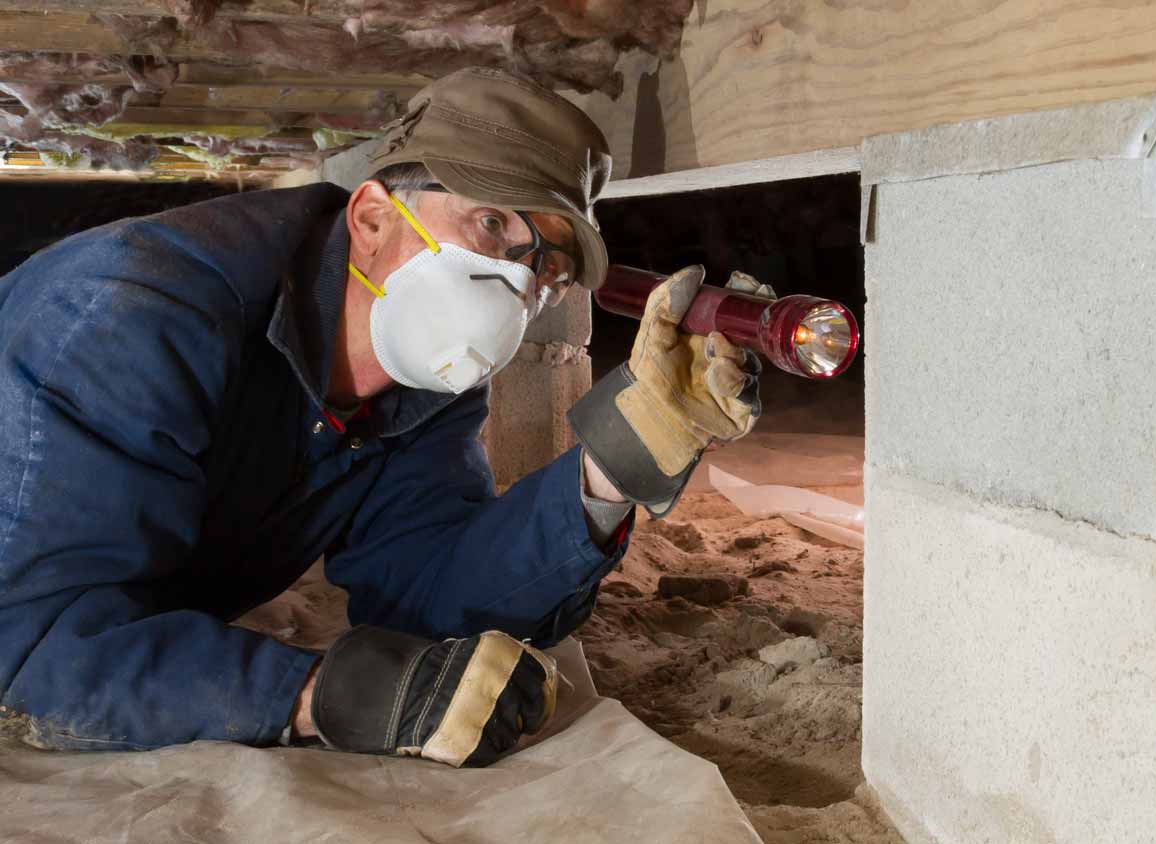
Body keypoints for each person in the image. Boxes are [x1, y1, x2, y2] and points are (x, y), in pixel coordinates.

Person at [0, 67, 761, 768]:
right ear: (371, 217)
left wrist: (614, 464)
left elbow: (428, 593)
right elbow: (39, 649)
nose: (517, 279)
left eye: (547, 264)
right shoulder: (129, 318)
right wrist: (320, 694)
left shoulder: (424, 386)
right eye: (492, 224)